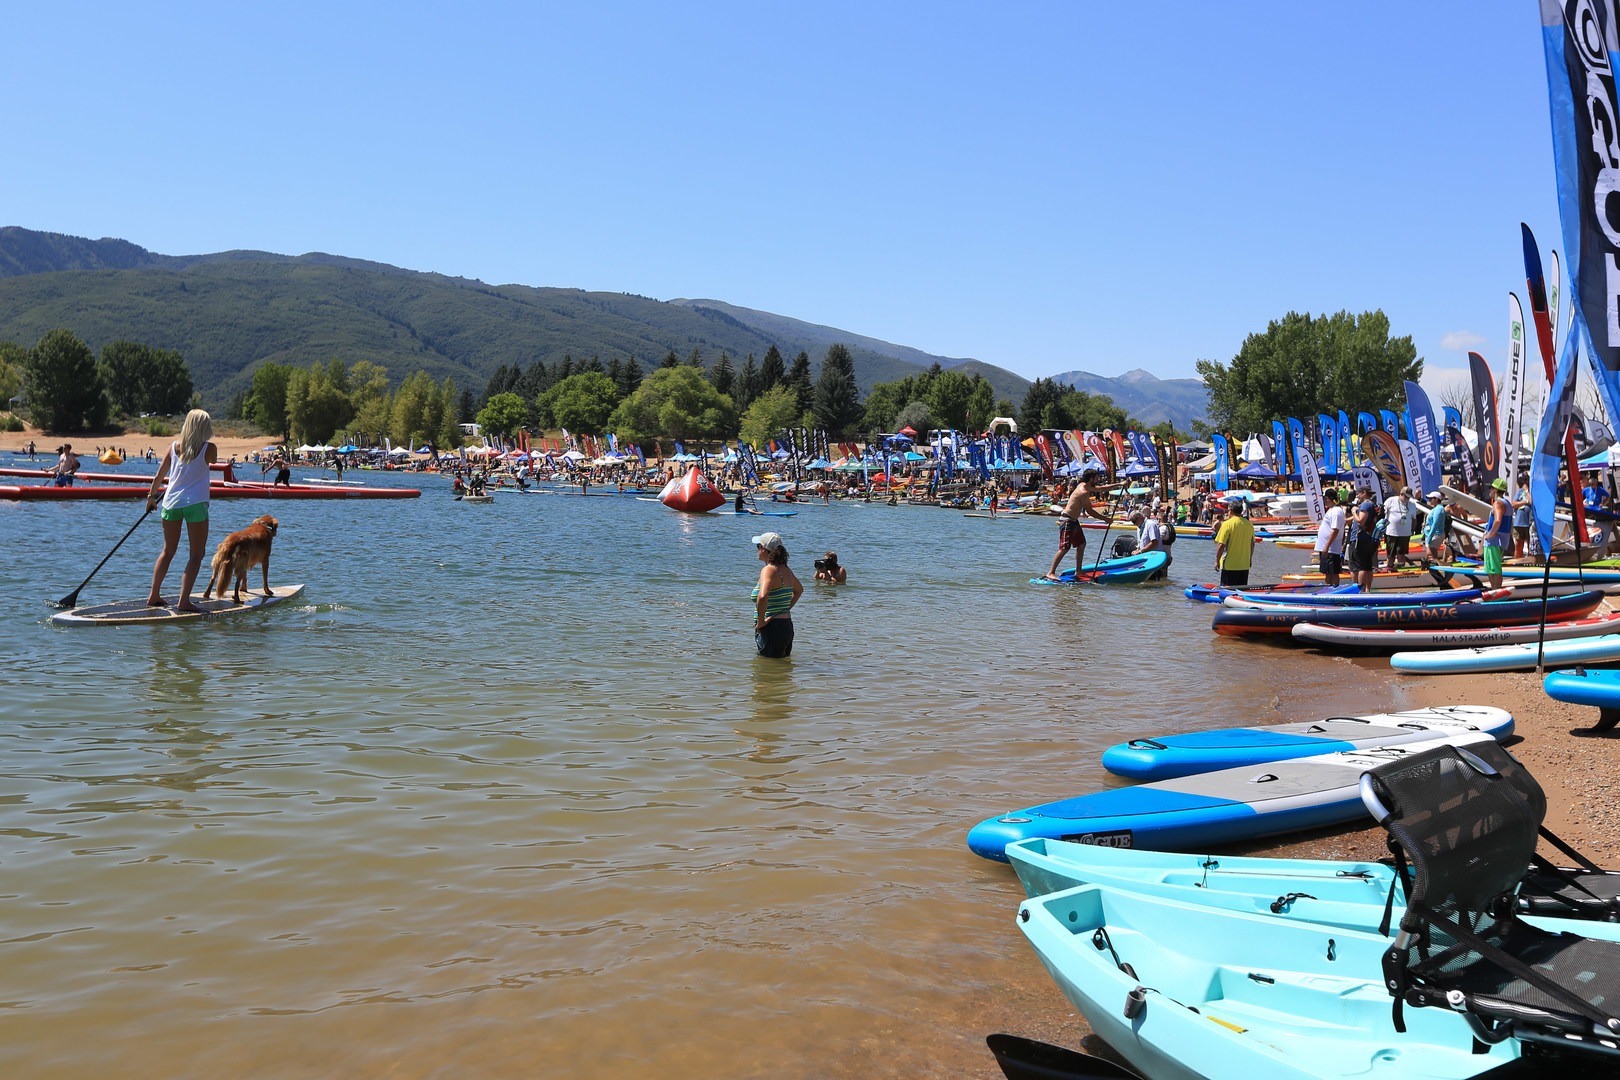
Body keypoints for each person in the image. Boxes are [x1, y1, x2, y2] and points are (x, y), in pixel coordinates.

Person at [144, 409, 218, 611]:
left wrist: (151, 498)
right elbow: (211, 462)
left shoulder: (173, 447)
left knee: (168, 551)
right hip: (195, 504)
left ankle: (154, 595)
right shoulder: (209, 449)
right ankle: (183, 601)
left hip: (170, 504)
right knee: (196, 554)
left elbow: (159, 476)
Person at [1045, 476, 1109, 580]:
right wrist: (1105, 519)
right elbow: (1090, 511)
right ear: (1091, 479)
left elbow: (1102, 488)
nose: (1098, 481)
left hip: (1073, 520)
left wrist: (1119, 485)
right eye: (1096, 479)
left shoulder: (1084, 485)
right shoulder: (1083, 492)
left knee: (1081, 544)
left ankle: (1078, 571)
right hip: (1067, 520)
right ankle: (1051, 572)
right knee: (1064, 548)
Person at [751, 532, 802, 658]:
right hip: (786, 626)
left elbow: (762, 596)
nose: (757, 550)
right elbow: (799, 590)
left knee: (766, 673)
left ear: (766, 550)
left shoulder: (768, 569)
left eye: (758, 546)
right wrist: (784, 609)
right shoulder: (785, 569)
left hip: (771, 627)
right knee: (780, 671)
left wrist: (761, 621)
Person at [1213, 497, 1256, 587]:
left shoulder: (1227, 524)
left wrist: (1217, 561)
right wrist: (1250, 559)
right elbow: (1252, 544)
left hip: (1230, 565)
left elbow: (1221, 545)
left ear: (1231, 511)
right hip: (1244, 565)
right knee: (1240, 592)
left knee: (1227, 591)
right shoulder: (1249, 525)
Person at [1345, 487, 1379, 591]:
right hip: (1367, 539)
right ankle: (1367, 591)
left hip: (1360, 540)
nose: (1357, 497)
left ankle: (1361, 591)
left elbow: (1360, 521)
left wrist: (1354, 511)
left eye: (1358, 494)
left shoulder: (1366, 505)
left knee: (1360, 567)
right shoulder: (1370, 505)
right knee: (1367, 566)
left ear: (1364, 493)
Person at [1483, 477, 1513, 589]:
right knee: (1492, 568)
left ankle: (1495, 590)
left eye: (1491, 488)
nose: (1490, 490)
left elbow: (1498, 520)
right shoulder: (1507, 503)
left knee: (1493, 568)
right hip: (1501, 539)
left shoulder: (1498, 503)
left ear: (1495, 490)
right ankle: (1495, 589)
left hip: (1494, 541)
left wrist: (1490, 534)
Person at [1313, 488, 1346, 586]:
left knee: (1333, 572)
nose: (1324, 501)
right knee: (1327, 572)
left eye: (1325, 498)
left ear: (1328, 498)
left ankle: (1333, 589)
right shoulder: (1332, 510)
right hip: (1328, 548)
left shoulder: (1336, 511)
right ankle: (1329, 588)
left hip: (1331, 549)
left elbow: (1335, 530)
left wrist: (1326, 547)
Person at [1382, 486, 1417, 570]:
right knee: (1391, 553)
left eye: (1409, 497)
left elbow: (1414, 519)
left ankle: (1402, 568)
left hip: (1405, 534)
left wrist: (1412, 530)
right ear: (1401, 494)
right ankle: (1390, 567)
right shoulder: (1390, 501)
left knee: (1401, 553)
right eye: (1406, 496)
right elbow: (1383, 515)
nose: (1408, 498)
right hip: (1391, 532)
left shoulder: (1412, 504)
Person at [1130, 508, 1169, 579]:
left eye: (1134, 521)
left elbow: (1154, 542)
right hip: (1145, 559)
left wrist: (1141, 551)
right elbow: (1141, 542)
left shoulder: (1151, 524)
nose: (1134, 524)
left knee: (1154, 580)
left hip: (1154, 559)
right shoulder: (1139, 527)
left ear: (1140, 518)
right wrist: (1137, 550)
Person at [1421, 491, 1452, 566]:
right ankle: (1435, 567)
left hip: (1436, 534)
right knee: (1431, 555)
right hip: (1432, 534)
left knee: (1430, 555)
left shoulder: (1439, 509)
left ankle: (1438, 568)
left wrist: (1430, 537)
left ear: (1436, 499)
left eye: (1431, 498)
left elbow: (1436, 524)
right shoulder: (1436, 508)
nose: (1430, 500)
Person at [1511, 479, 1532, 558]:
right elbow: (1513, 504)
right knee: (1518, 545)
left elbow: (1531, 502)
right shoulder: (1520, 491)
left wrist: (1527, 491)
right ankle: (1517, 562)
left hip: (1529, 523)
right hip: (1519, 522)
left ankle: (1531, 562)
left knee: (1531, 545)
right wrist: (1525, 501)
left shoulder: (1532, 492)